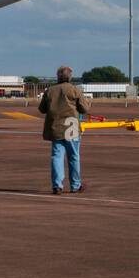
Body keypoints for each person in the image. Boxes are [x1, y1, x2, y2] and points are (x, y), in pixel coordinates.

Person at [38, 66, 89, 195]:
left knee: (57, 156)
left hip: (56, 127)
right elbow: (84, 109)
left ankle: (57, 185)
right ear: (70, 77)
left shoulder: (50, 91)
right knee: (73, 156)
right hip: (71, 127)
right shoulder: (74, 90)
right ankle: (75, 185)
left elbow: (42, 109)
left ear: (58, 76)